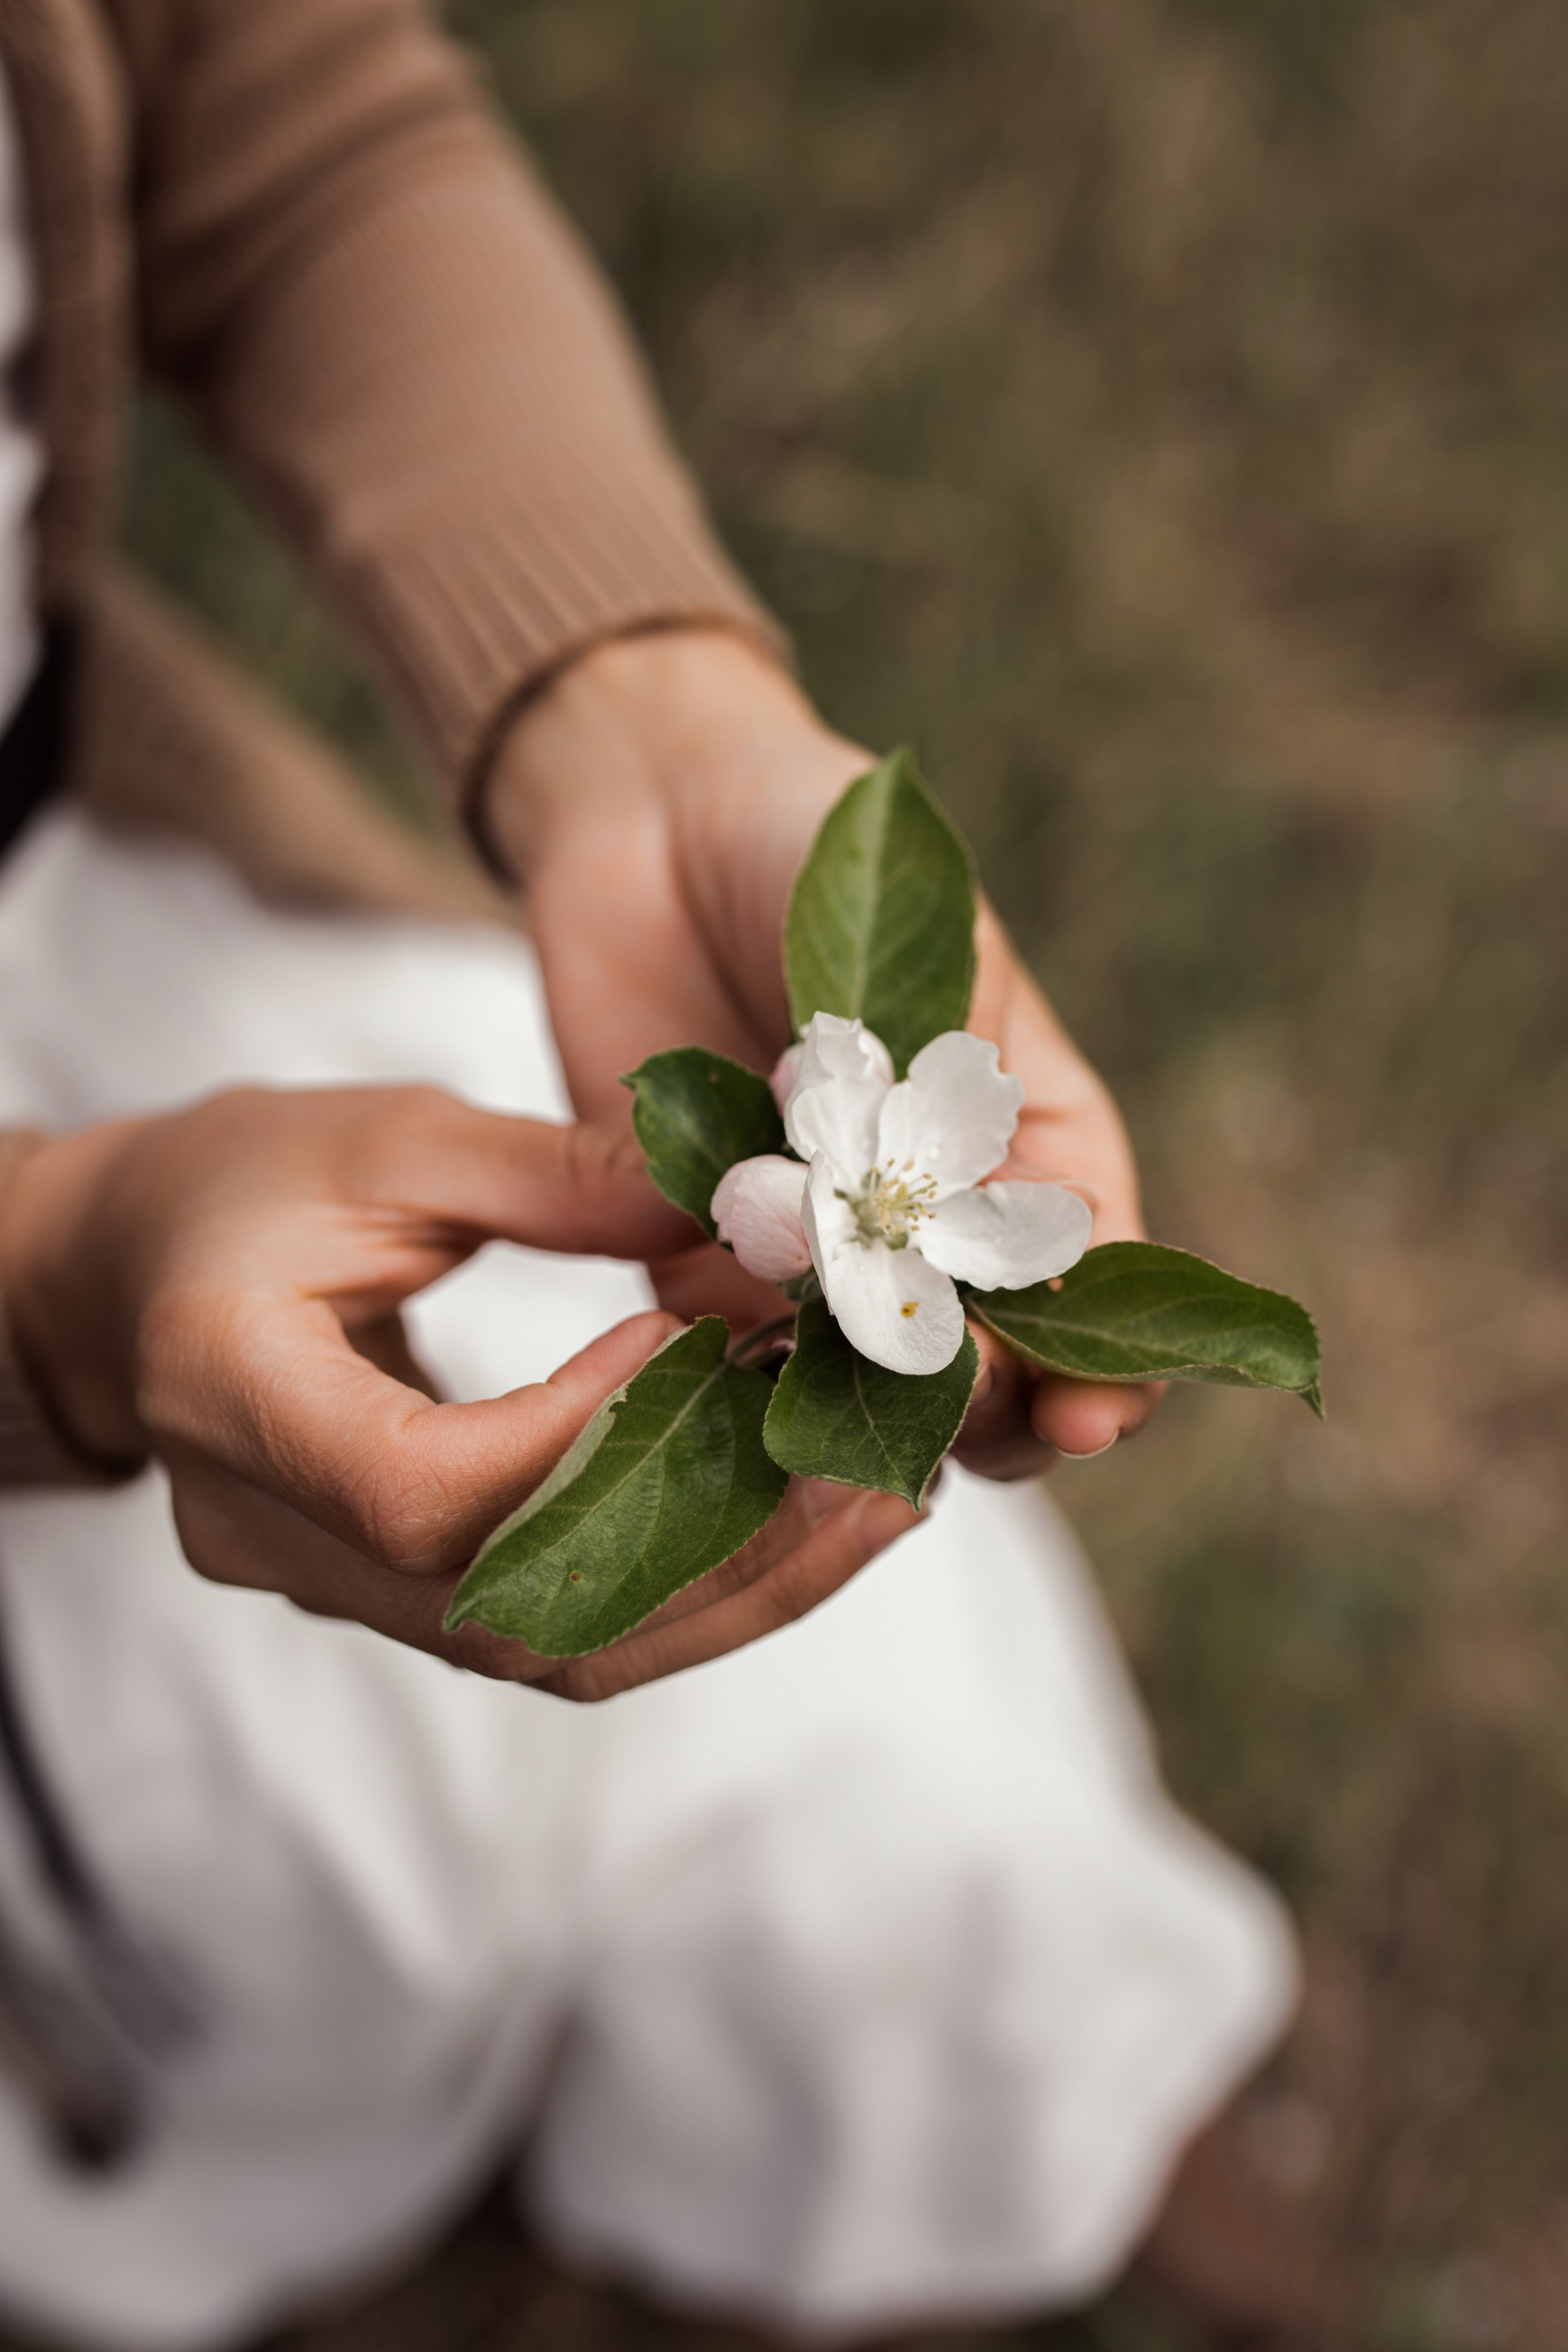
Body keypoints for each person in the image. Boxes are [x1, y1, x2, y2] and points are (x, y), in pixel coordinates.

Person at [0, 2, 1308, 2345]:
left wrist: (640, 704)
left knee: (903, 1768)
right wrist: (56, 1294)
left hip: (104, 917)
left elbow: (280, 124)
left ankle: (1040, 2148)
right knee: (332, 1878)